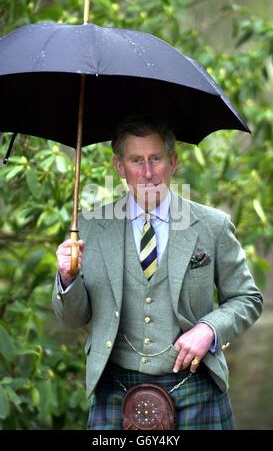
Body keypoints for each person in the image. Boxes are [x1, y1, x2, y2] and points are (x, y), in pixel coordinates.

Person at [52, 116, 263, 430]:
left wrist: (209, 329)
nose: (148, 173)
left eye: (156, 159)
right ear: (119, 167)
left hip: (195, 387)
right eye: (136, 160)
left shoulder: (211, 225)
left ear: (173, 162)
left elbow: (247, 299)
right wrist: (67, 279)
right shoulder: (90, 228)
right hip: (117, 390)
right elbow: (73, 319)